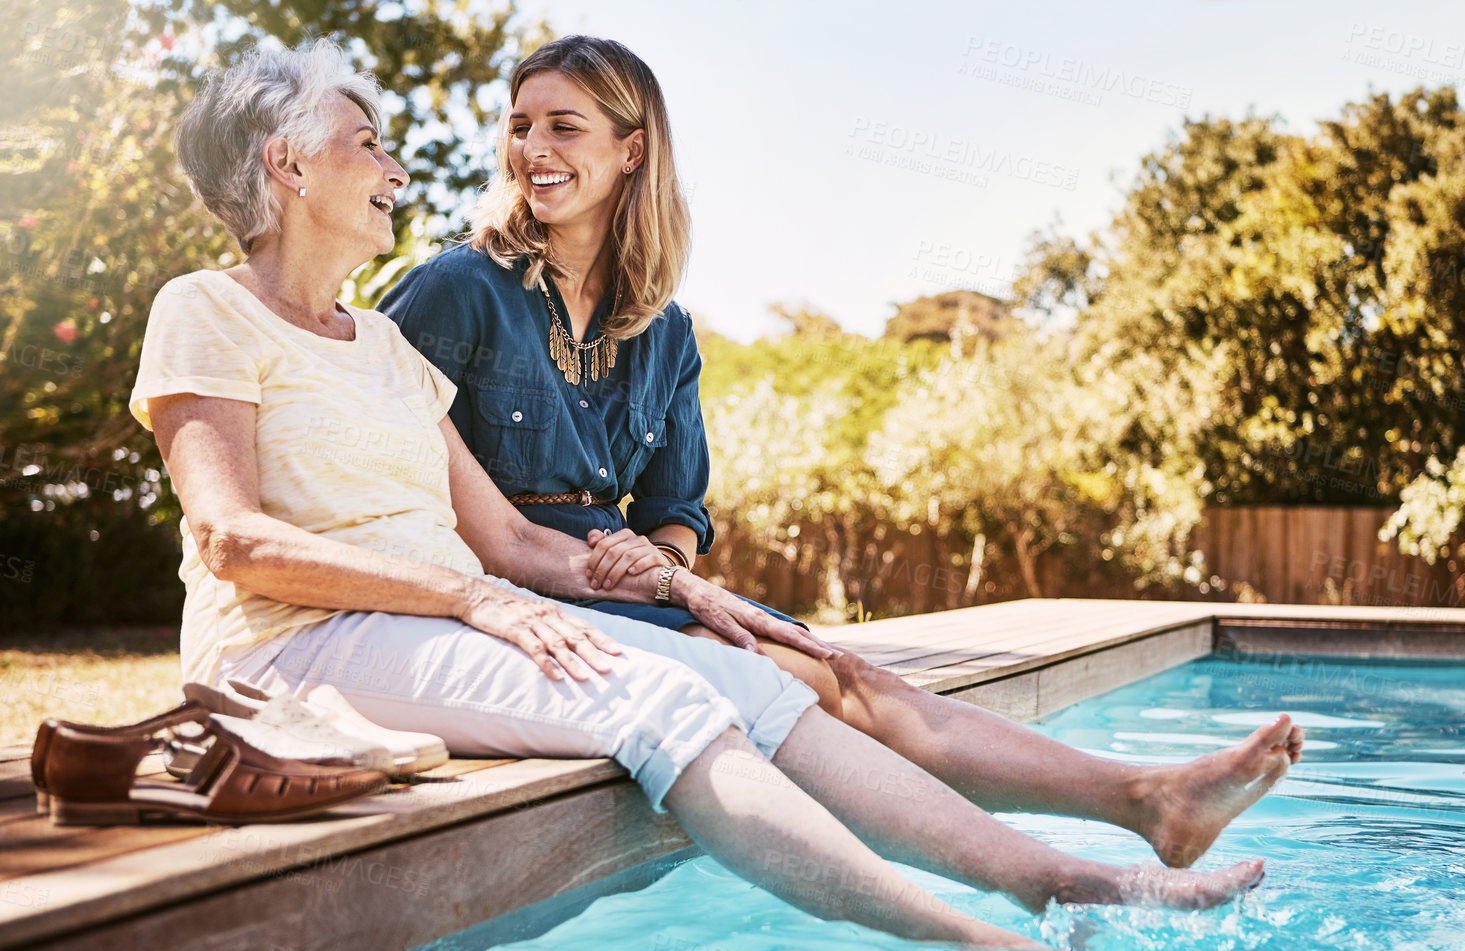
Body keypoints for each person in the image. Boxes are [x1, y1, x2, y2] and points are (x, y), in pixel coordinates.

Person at [137, 41, 1280, 951]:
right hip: (295, 644)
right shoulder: (209, 306)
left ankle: (1069, 879)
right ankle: (981, 945)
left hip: (423, 621)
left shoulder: (384, 344)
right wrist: (473, 600)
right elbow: (231, 538)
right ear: (288, 168)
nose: (397, 170)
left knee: (749, 677)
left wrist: (677, 583)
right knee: (668, 707)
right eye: (368, 145)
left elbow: (508, 537)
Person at [380, 34, 1304, 867]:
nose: (532, 151)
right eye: (520, 126)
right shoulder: (456, 288)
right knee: (809, 681)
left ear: (632, 151)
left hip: (638, 585)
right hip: (505, 594)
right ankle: (1138, 806)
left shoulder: (666, 332)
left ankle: (1143, 800)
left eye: (563, 128)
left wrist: (657, 563)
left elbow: (678, 512)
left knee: (851, 672)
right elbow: (366, 455)